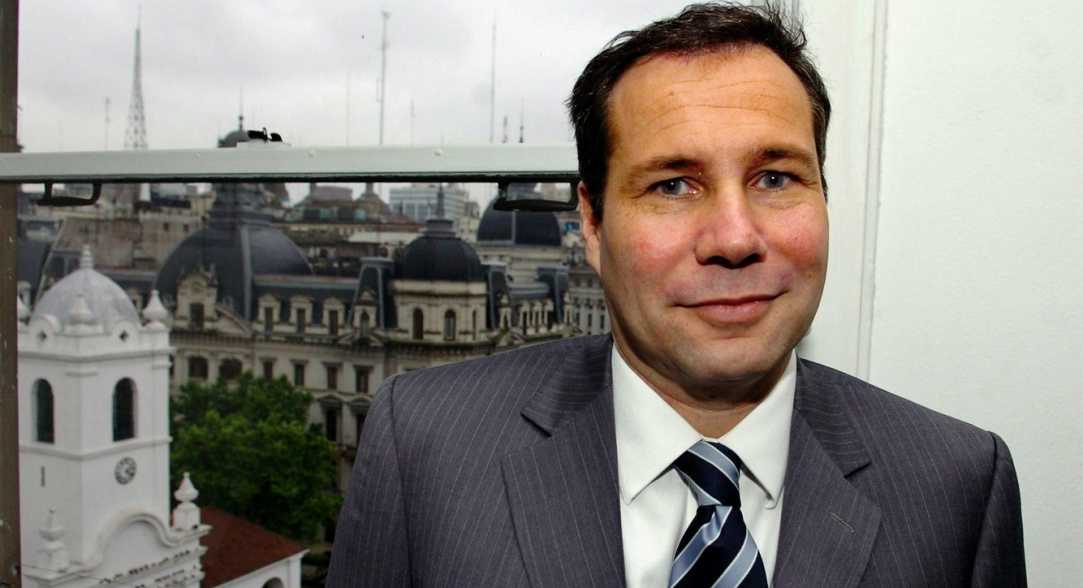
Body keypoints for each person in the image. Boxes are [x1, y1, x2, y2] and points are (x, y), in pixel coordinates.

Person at [327, 3, 1026, 587]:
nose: (734, 237)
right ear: (592, 224)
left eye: (776, 178)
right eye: (672, 185)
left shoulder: (958, 486)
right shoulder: (425, 446)